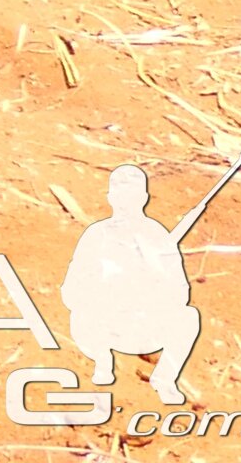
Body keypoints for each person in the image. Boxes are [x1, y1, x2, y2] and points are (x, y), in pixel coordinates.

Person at [60, 164, 204, 404]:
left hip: (142, 323)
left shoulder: (157, 236)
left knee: (188, 318)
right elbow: (71, 291)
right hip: (101, 325)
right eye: (121, 196)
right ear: (111, 198)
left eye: (133, 197)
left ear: (144, 198)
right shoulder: (97, 235)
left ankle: (164, 379)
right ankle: (103, 364)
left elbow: (180, 293)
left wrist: (156, 282)